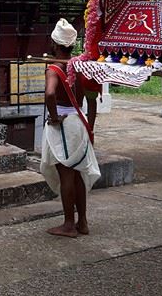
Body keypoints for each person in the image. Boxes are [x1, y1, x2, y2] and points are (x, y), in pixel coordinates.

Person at [40, 19, 100, 238]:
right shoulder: (82, 66)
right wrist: (90, 127)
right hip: (79, 122)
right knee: (77, 175)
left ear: (55, 44)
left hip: (64, 123)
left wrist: (54, 117)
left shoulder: (54, 68)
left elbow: (49, 94)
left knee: (66, 173)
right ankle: (82, 222)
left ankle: (68, 224)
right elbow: (93, 99)